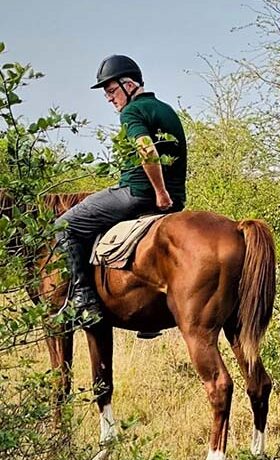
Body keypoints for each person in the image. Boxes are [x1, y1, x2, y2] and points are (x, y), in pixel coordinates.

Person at [56, 54, 187, 325]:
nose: (109, 98)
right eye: (106, 93)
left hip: (137, 194)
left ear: (129, 84)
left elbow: (146, 150)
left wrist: (160, 192)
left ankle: (83, 299)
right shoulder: (166, 110)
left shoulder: (132, 112)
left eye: (111, 90)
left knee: (63, 225)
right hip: (176, 200)